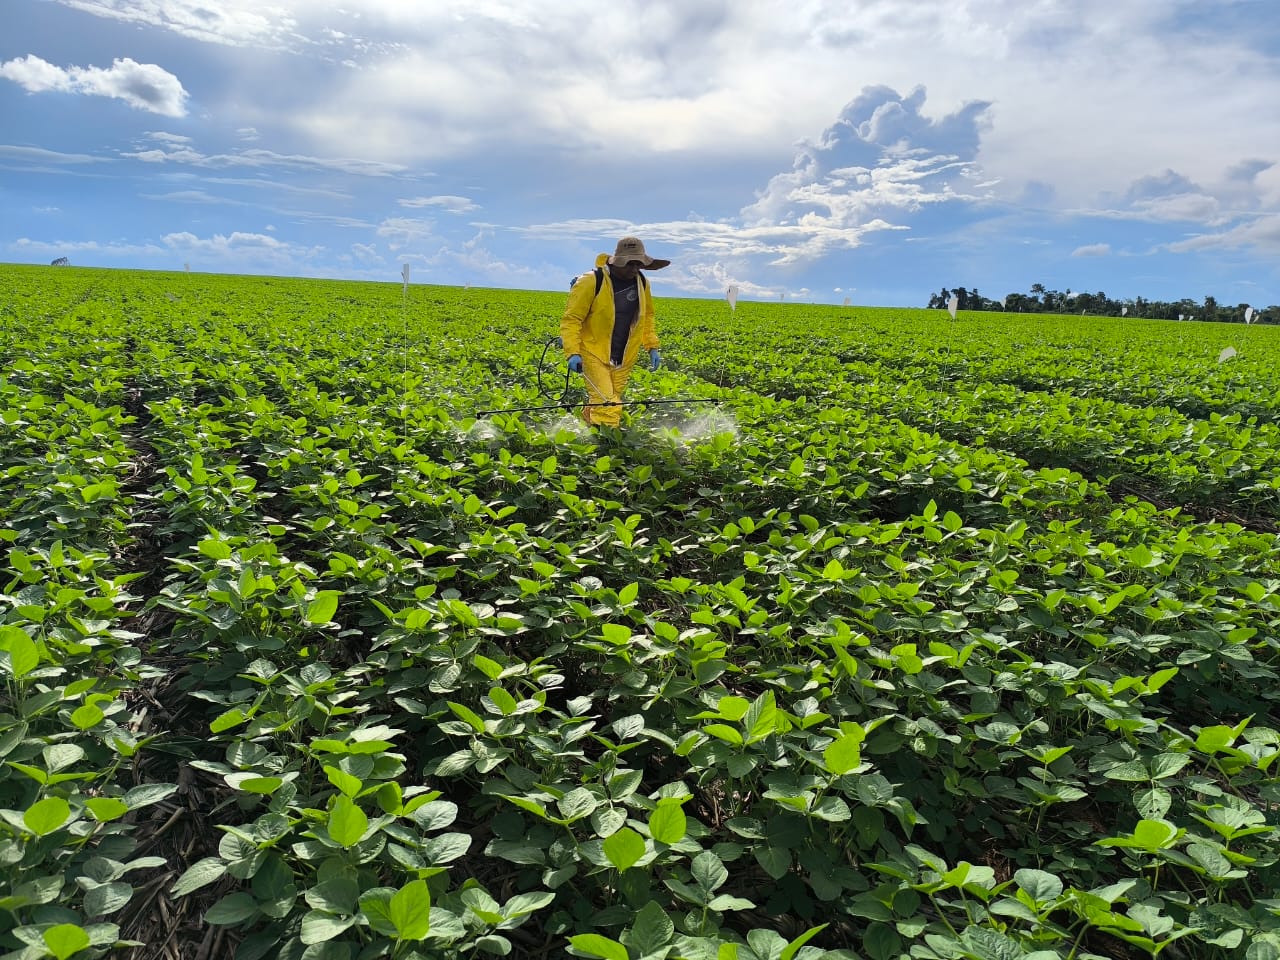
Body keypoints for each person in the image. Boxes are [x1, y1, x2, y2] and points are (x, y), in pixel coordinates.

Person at [560, 236, 669, 428]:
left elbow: (647, 317)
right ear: (617, 261)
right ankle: (606, 446)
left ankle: (588, 425)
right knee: (609, 404)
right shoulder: (591, 281)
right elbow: (572, 320)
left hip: (625, 355)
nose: (634, 269)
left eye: (638, 264)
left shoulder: (642, 283)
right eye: (630, 264)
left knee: (609, 397)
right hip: (592, 351)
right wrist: (573, 353)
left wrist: (652, 347)